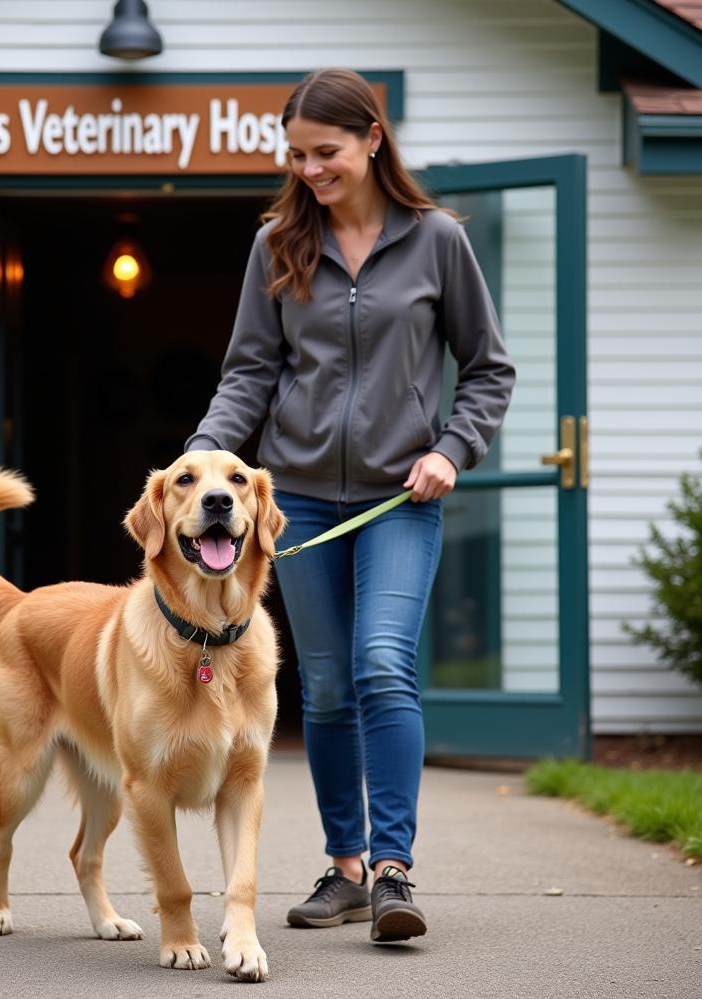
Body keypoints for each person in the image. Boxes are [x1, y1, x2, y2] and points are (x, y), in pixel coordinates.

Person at [185, 68, 515, 943]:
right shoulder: (277, 246)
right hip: (295, 496)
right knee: (325, 687)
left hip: (398, 499)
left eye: (324, 153)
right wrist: (202, 459)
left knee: (380, 663)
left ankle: (395, 869)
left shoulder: (438, 241)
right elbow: (251, 372)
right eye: (295, 156)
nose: (309, 171)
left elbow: (488, 368)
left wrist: (452, 448)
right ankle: (345, 868)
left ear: (373, 138)